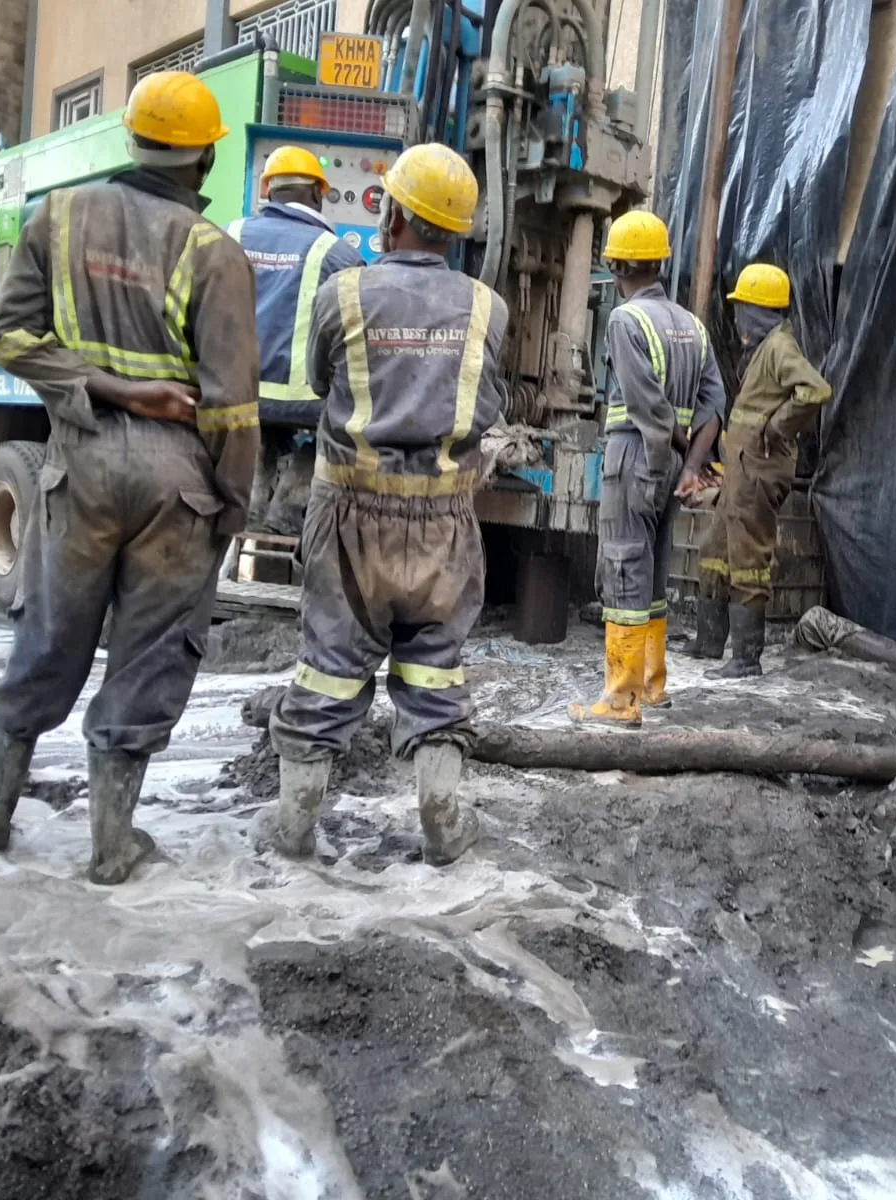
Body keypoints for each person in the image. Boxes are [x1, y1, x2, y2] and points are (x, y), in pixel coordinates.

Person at [0, 71, 261, 884]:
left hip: (81, 465)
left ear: (133, 141)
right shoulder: (213, 253)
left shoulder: (54, 220)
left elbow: (9, 336)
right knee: (148, 657)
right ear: (202, 159)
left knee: (49, 639)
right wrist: (232, 506)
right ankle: (111, 846)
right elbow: (233, 409)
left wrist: (105, 389)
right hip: (180, 484)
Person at [258, 143, 508, 868]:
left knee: (330, 666)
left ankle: (295, 828)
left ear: (392, 215)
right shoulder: (488, 309)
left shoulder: (343, 294)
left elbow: (316, 381)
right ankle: (441, 823)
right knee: (435, 668)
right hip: (445, 522)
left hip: (350, 517)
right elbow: (489, 407)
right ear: (454, 232)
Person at [569, 211, 725, 727]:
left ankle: (620, 700)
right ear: (659, 263)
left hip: (636, 458)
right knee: (653, 574)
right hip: (671, 465)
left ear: (614, 266)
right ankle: (655, 688)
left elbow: (647, 405)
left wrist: (665, 461)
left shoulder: (624, 321)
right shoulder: (693, 326)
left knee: (622, 568)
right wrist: (691, 468)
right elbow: (714, 404)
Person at [686, 263, 832, 677]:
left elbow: (816, 390)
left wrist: (776, 425)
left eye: (741, 307)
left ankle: (746, 658)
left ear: (757, 309)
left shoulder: (780, 348)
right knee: (715, 551)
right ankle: (708, 644)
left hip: (758, 471)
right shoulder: (763, 347)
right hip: (742, 470)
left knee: (747, 558)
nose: (735, 316)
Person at [229, 146, 365, 534]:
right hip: (304, 402)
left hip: (235, 395)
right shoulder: (338, 254)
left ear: (268, 191)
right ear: (317, 195)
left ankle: (251, 500)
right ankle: (289, 507)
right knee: (335, 428)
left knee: (256, 428)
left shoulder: (230, 234)